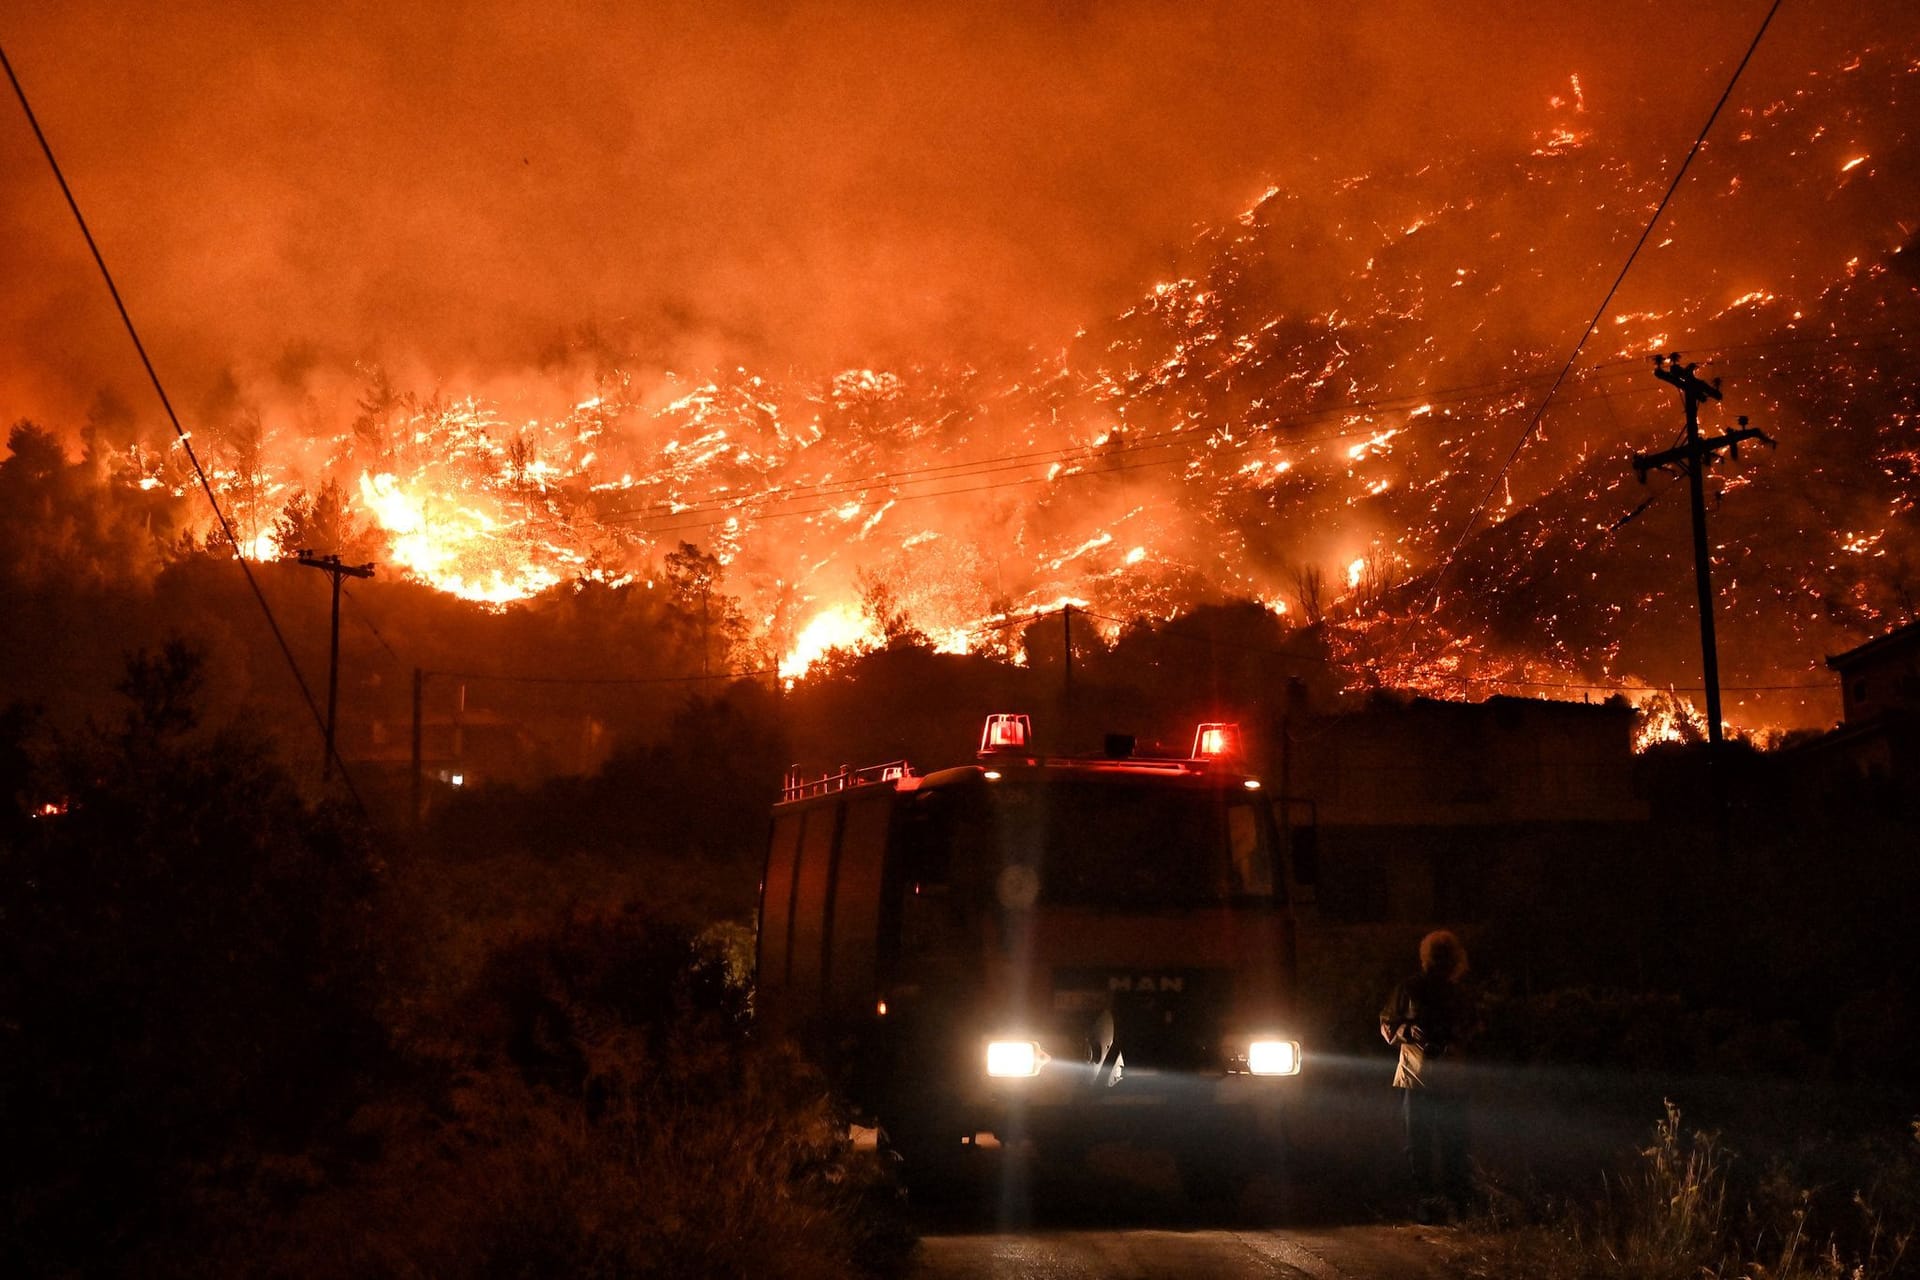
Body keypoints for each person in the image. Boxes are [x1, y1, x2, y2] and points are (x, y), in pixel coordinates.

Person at [1379, 929, 1475, 1221]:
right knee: (1441, 1141)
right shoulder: (1413, 989)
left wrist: (1452, 1036)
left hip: (1430, 1075)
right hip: (1429, 1075)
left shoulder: (1452, 993)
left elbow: (1472, 1027)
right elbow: (1387, 1025)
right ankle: (1441, 1203)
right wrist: (1407, 1031)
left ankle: (1441, 1202)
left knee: (1434, 1141)